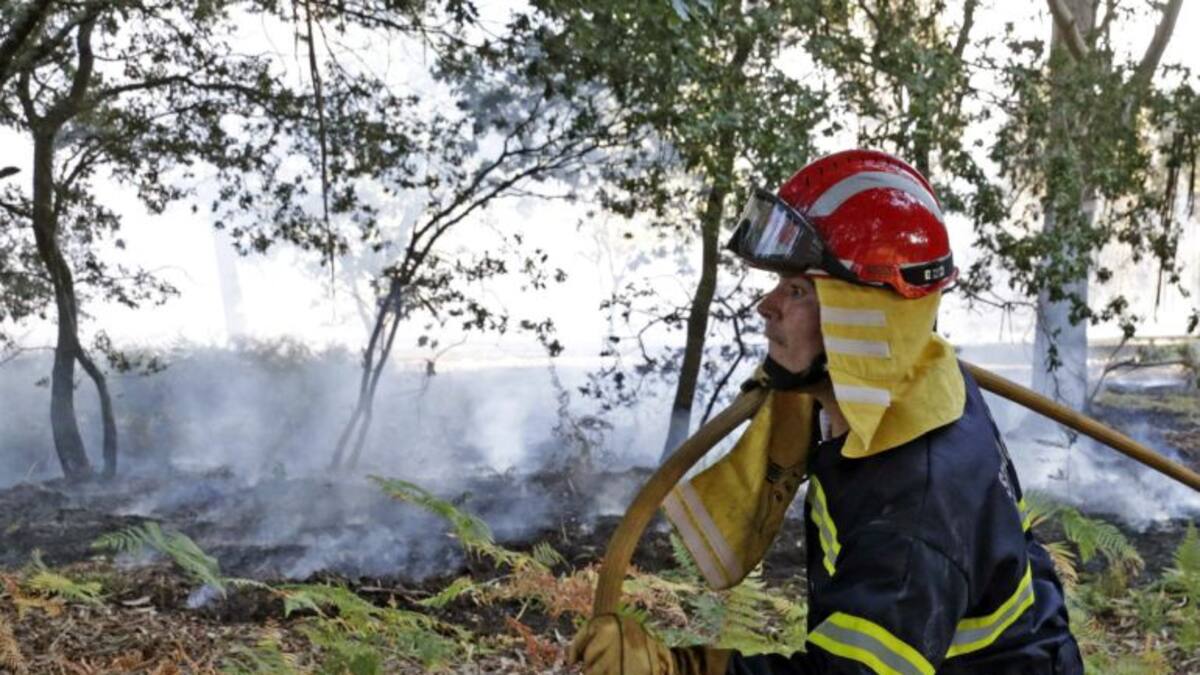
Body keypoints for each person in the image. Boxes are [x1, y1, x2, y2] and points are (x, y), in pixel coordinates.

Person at [569, 150, 1082, 675]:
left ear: (865, 319)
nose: (766, 306)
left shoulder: (913, 514)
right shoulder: (915, 378)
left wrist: (678, 669)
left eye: (798, 291)